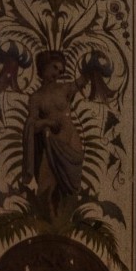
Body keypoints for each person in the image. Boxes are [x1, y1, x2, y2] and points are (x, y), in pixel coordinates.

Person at [22, 50, 85, 215]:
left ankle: (63, 219)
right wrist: (47, 122)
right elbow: (32, 125)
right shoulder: (36, 98)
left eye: (60, 71)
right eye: (54, 68)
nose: (56, 73)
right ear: (44, 66)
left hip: (70, 141)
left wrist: (92, 67)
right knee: (45, 185)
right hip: (51, 144)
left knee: (70, 191)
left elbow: (81, 82)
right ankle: (48, 222)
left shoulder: (64, 89)